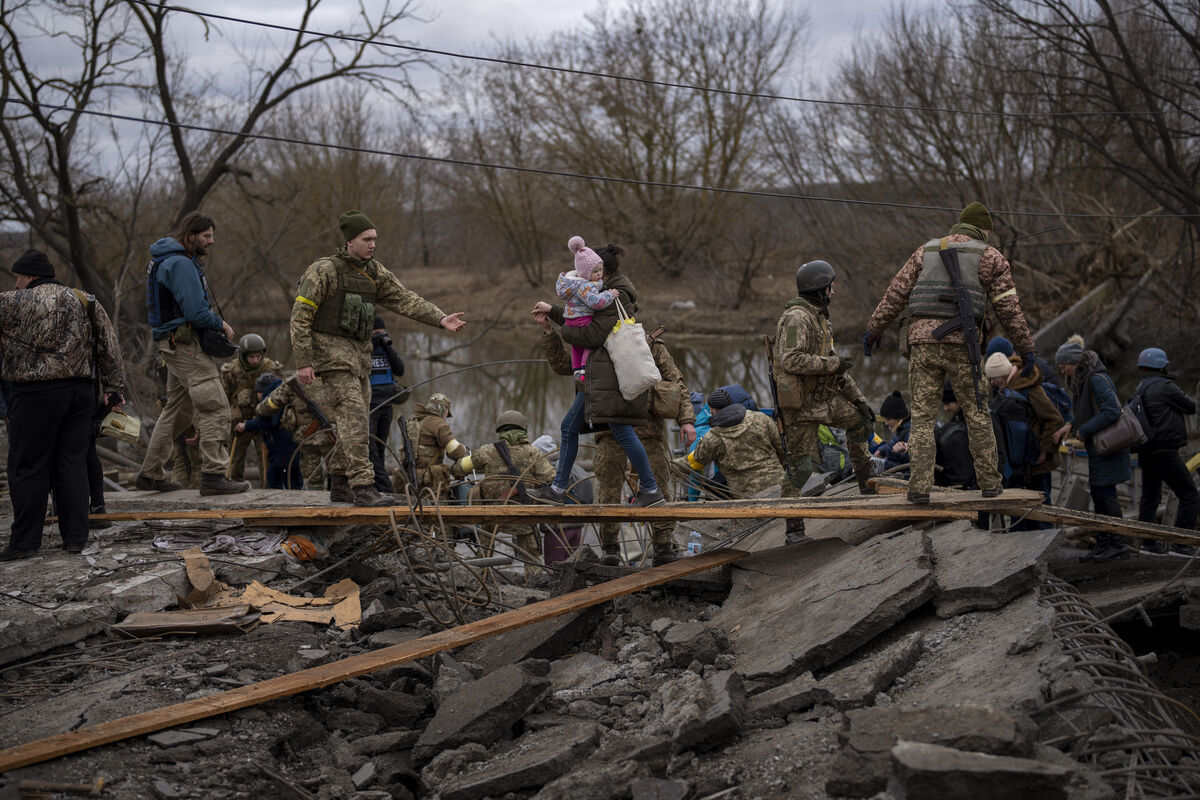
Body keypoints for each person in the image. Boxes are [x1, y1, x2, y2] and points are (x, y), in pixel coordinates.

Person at [864, 201, 1037, 505]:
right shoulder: (991, 257)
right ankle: (990, 485)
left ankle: (919, 487)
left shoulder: (925, 251)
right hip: (962, 348)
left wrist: (873, 329)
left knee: (920, 418)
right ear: (983, 229)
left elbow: (895, 294)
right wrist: (1026, 348)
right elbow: (1009, 310)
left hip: (922, 346)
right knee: (978, 415)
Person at [290, 210, 465, 506]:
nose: (373, 244)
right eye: (366, 239)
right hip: (332, 359)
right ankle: (363, 487)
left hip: (360, 359)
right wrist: (304, 361)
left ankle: (341, 481)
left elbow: (404, 298)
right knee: (356, 419)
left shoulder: (374, 271)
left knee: (356, 421)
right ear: (349, 241)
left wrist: (439, 318)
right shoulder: (323, 271)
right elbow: (300, 316)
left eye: (374, 239)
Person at [538, 316, 696, 564]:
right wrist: (549, 332)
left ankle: (663, 545)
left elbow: (676, 382)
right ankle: (610, 549)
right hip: (610, 430)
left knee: (659, 488)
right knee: (609, 489)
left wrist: (686, 420)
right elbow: (563, 365)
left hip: (647, 430)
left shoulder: (648, 344)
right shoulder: (593, 343)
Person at [0, 250, 125, 560]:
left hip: (33, 394)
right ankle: (75, 538)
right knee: (72, 463)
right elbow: (109, 345)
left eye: (18, 278)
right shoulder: (85, 299)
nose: (16, 284)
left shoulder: (8, 302)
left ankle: (25, 542)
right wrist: (113, 388)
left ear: (29, 276)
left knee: (28, 466)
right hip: (79, 392)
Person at [530, 243, 666, 508]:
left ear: (602, 272)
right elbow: (580, 316)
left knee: (619, 430)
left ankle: (650, 490)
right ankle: (559, 489)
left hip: (609, 376)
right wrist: (553, 312)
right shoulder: (602, 290)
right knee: (574, 427)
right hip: (602, 376)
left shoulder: (617, 296)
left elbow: (592, 334)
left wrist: (563, 333)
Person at [138, 211, 248, 496]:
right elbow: (196, 311)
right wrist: (220, 323)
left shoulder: (168, 259)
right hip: (184, 346)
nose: (212, 241)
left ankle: (150, 473)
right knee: (216, 405)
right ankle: (213, 475)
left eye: (212, 235)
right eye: (206, 236)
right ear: (190, 237)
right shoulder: (180, 264)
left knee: (178, 409)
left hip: (172, 344)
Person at [773, 259, 876, 544]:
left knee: (861, 423)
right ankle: (794, 529)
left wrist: (860, 400)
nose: (835, 291)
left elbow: (835, 367)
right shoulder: (797, 317)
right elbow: (790, 359)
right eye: (831, 286)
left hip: (825, 399)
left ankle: (866, 487)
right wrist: (832, 365)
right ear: (820, 289)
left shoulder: (820, 318)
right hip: (801, 407)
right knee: (801, 468)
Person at [451, 410, 556, 576]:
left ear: (500, 430)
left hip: (492, 517)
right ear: (524, 429)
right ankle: (535, 585)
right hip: (523, 516)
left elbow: (459, 469)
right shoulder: (533, 453)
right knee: (533, 558)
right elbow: (550, 477)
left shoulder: (487, 451)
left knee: (483, 555)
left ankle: (480, 582)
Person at [1055, 335, 1131, 562]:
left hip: (1109, 447)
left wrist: (1085, 430)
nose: (1062, 371)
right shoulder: (1083, 379)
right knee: (1099, 494)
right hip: (1099, 447)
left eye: (1064, 366)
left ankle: (1117, 544)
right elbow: (1087, 412)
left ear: (1074, 362)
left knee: (1106, 495)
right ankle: (1104, 543)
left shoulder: (1095, 379)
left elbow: (1112, 411)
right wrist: (1071, 425)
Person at [1129, 347, 1197, 554]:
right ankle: (1181, 543)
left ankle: (1149, 544)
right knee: (1189, 494)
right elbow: (1191, 407)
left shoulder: (1140, 387)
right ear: (1162, 366)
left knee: (1149, 498)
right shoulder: (1166, 387)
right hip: (1165, 450)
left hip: (1146, 451)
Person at [984, 351, 1062, 500]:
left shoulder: (1029, 389)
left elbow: (1054, 419)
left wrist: (1044, 450)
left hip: (1038, 463)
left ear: (1004, 375)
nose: (992, 382)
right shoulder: (1004, 391)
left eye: (994, 378)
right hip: (1021, 464)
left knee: (1040, 510)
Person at [678, 388, 784, 497]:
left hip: (748, 498)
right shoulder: (761, 418)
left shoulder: (713, 437)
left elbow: (692, 463)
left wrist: (668, 466)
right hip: (780, 487)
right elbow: (782, 448)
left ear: (714, 411)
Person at [220, 333, 284, 485]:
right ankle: (234, 487)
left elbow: (282, 396)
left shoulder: (272, 369)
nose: (255, 360)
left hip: (263, 422)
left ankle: (266, 489)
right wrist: (231, 416)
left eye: (258, 356)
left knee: (266, 460)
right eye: (251, 357)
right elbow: (223, 399)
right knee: (234, 461)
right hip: (238, 422)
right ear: (243, 356)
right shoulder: (230, 371)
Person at [254, 375, 335, 490]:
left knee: (314, 481)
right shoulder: (332, 376)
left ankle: (317, 501)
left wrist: (261, 410)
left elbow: (268, 405)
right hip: (326, 436)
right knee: (336, 475)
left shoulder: (294, 381)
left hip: (309, 438)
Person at [557, 236, 619, 382]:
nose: (599, 274)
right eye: (595, 272)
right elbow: (596, 302)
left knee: (576, 347)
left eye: (600, 270)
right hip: (583, 319)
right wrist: (610, 294)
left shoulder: (570, 285)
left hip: (570, 320)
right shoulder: (586, 286)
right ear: (585, 273)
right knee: (587, 346)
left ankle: (576, 370)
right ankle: (584, 371)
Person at [236, 373, 302, 489]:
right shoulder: (281, 395)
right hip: (279, 450)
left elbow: (269, 422)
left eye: (258, 393)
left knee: (288, 482)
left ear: (261, 391)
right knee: (274, 477)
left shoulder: (274, 401)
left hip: (283, 450)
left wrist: (247, 425)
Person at [368, 316, 406, 493]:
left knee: (380, 449)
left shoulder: (387, 350)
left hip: (386, 406)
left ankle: (379, 489)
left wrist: (387, 348)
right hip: (369, 407)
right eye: (377, 334)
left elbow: (400, 370)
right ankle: (386, 490)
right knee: (371, 452)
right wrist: (371, 346)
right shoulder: (363, 351)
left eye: (383, 334)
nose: (381, 337)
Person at [407, 393, 468, 499]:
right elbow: (456, 451)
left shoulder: (414, 421)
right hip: (431, 481)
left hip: (411, 476)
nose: (446, 418)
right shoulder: (438, 423)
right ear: (444, 410)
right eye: (447, 414)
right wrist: (463, 449)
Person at [872, 390, 912, 475]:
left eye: (888, 419)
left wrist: (887, 452)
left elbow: (908, 459)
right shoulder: (901, 429)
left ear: (898, 417)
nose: (886, 423)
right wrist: (882, 450)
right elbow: (893, 445)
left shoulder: (909, 431)